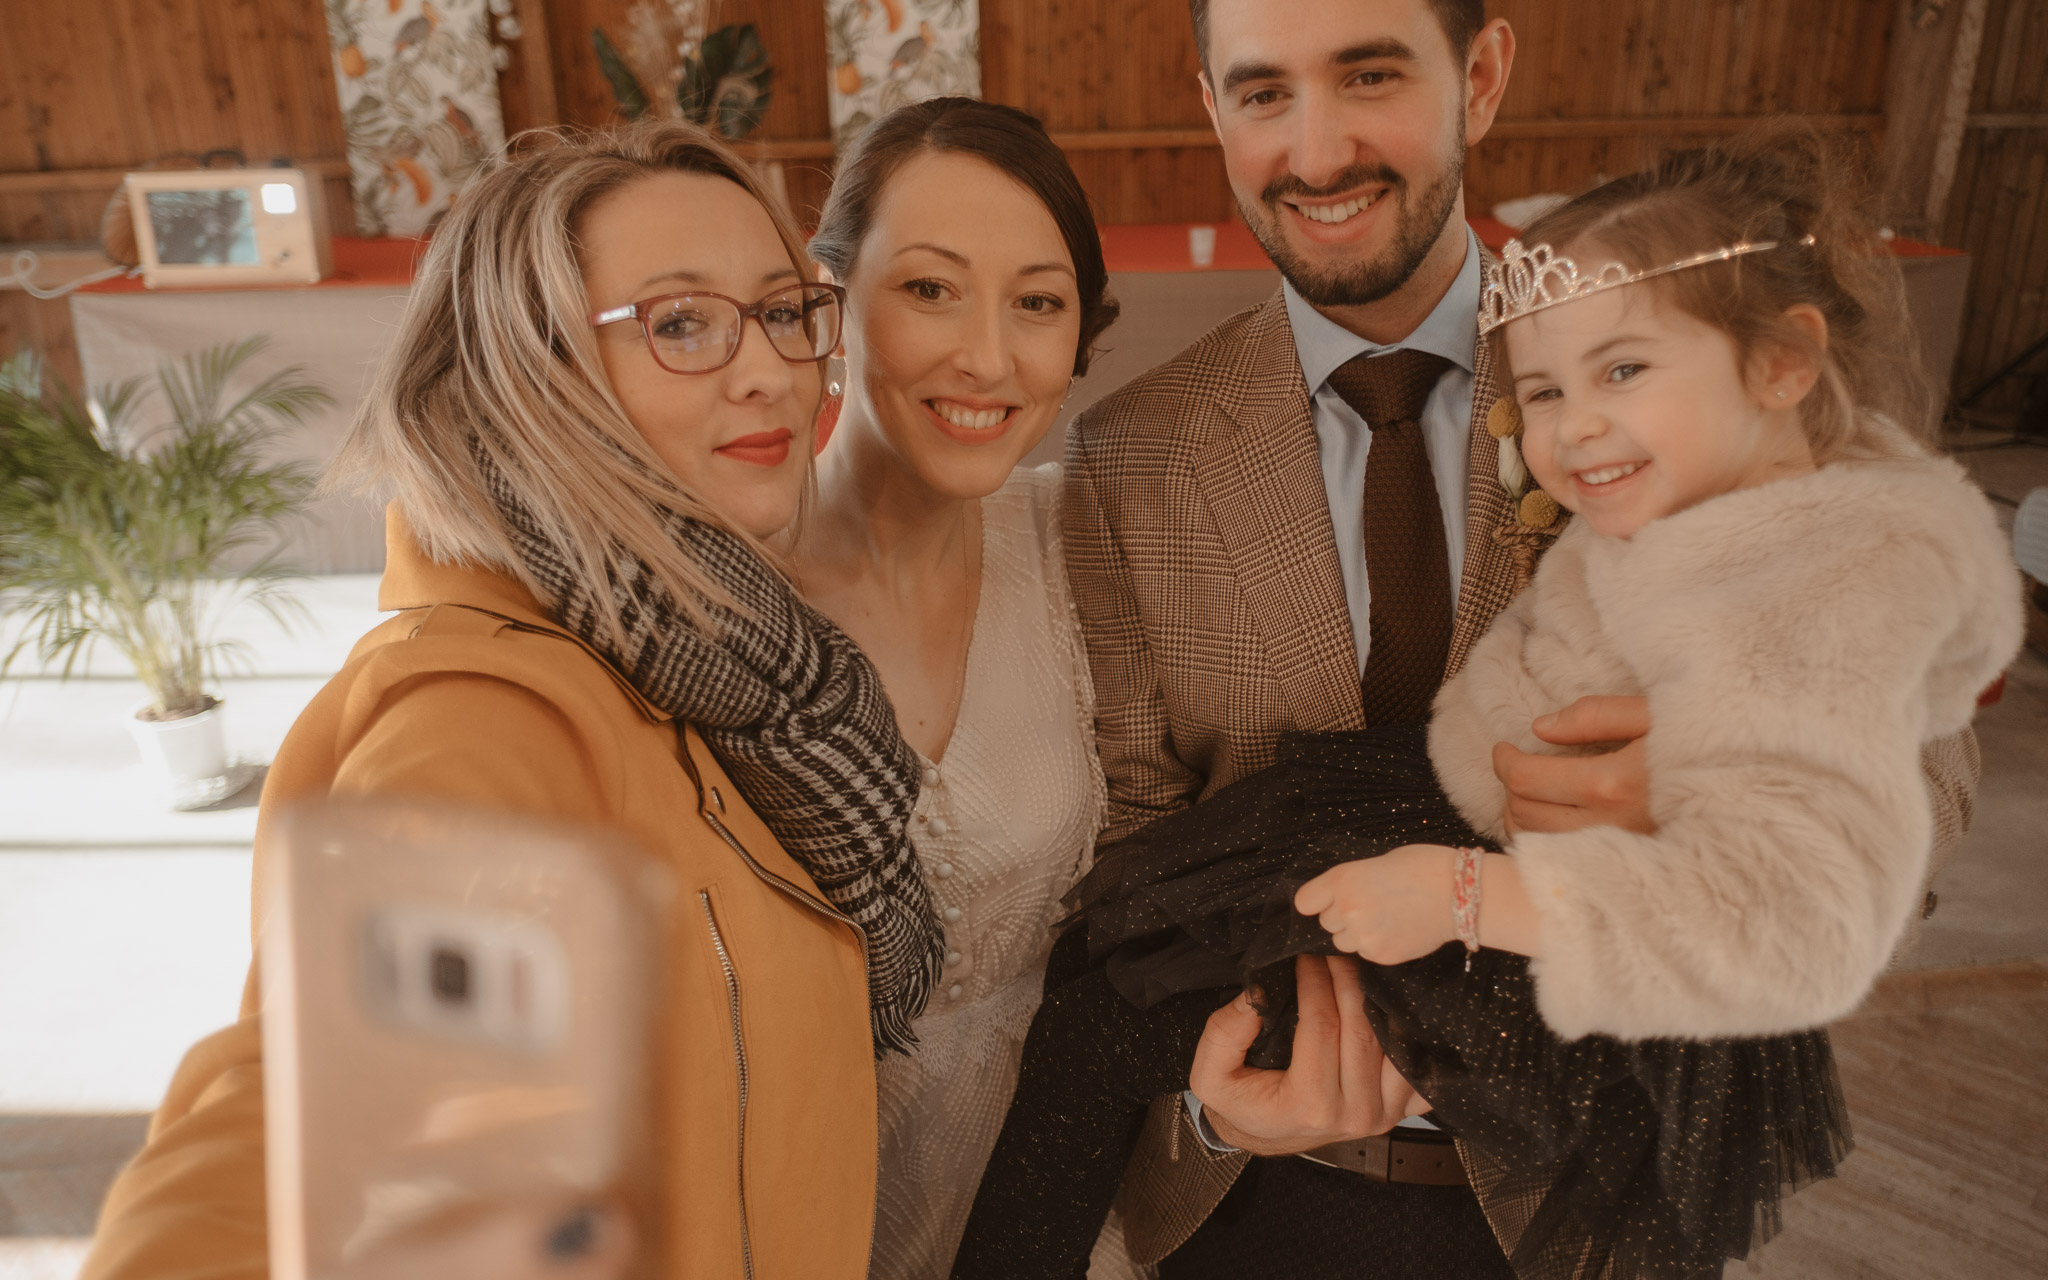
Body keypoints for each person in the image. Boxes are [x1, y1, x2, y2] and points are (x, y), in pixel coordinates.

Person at [953, 128, 2022, 1280]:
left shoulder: (1837, 555)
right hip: (1404, 898)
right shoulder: (1683, 464)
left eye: (1618, 371)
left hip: (1571, 960)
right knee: (1118, 957)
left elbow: (1836, 852)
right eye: (1547, 389)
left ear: (1780, 365)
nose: (1568, 427)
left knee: (1103, 1013)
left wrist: (1503, 866)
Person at [79, 120, 941, 1280]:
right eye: (680, 322)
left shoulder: (733, 664)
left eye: (785, 309)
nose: (771, 369)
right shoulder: (488, 707)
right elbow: (303, 1105)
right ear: (529, 375)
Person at [797, 97, 1124, 1279]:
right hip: (785, 1217)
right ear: (827, 300)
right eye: (929, 288)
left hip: (1048, 1208)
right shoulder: (714, 582)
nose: (987, 356)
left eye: (1036, 302)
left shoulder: (1077, 540)